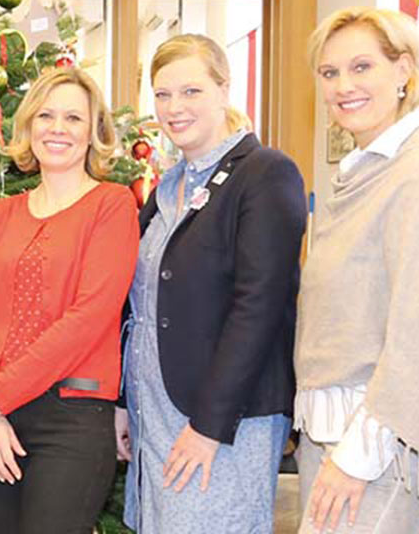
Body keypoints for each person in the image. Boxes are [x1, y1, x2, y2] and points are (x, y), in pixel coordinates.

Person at [295, 7, 419, 534]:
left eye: (362, 67)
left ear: (404, 70)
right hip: (333, 438)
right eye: (330, 72)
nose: (343, 86)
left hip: (379, 451)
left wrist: (356, 458)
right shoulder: (364, 169)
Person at [115, 34, 307, 532]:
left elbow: (259, 307)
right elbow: (140, 304)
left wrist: (209, 426)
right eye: (162, 94)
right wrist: (123, 402)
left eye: (191, 91)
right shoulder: (168, 186)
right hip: (154, 412)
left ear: (224, 89)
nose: (174, 107)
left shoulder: (265, 174)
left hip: (222, 420)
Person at [0, 66, 137, 534]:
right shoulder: (1, 214)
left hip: (70, 420)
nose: (58, 128)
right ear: (29, 125)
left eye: (73, 118)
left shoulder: (112, 205)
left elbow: (88, 319)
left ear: (93, 132)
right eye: (46, 116)